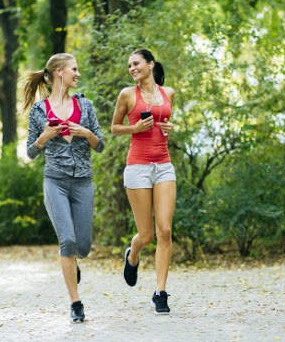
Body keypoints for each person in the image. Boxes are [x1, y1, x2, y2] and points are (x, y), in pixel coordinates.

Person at [22, 53, 104, 323]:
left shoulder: (86, 105)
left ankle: (74, 262)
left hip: (83, 182)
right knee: (66, 241)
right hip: (54, 181)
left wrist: (86, 133)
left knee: (83, 247)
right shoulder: (38, 111)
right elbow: (30, 153)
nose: (77, 74)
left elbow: (100, 145)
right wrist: (44, 137)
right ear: (59, 72)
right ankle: (76, 303)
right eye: (74, 69)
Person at [111, 48, 176, 314]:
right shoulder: (127, 95)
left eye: (136, 63)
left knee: (165, 231)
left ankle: (160, 292)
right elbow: (114, 127)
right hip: (137, 167)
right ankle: (133, 254)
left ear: (150, 64)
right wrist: (133, 128)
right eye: (129, 66)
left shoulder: (168, 93)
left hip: (163, 166)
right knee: (146, 235)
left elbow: (166, 127)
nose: (132, 68)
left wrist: (169, 128)